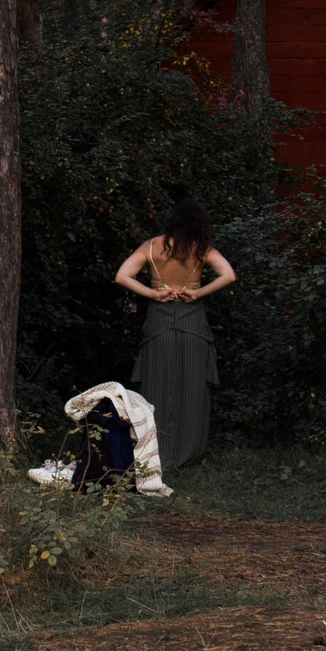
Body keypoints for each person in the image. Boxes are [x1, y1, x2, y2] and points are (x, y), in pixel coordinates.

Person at [114, 199, 233, 471]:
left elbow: (123, 276)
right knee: (192, 390)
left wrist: (154, 293)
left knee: (156, 386)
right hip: (194, 324)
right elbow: (229, 275)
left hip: (159, 322)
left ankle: (154, 452)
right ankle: (188, 453)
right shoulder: (202, 249)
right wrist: (197, 292)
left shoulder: (152, 247)